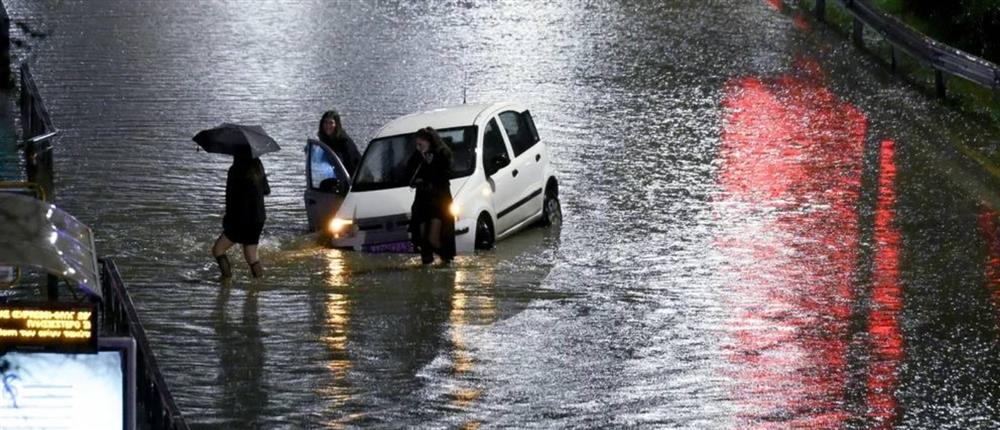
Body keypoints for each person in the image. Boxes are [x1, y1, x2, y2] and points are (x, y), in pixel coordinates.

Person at [212, 148, 270, 279]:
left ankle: (226, 283)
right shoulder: (258, 166)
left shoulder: (235, 170)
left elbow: (230, 198)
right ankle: (257, 287)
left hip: (241, 219)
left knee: (218, 250)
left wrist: (227, 221)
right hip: (258, 219)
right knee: (251, 256)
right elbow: (266, 190)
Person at [407, 127, 456, 265]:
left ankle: (447, 258)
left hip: (439, 201)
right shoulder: (417, 156)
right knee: (423, 239)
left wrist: (430, 166)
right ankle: (428, 263)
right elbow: (408, 173)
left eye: (420, 144)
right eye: (416, 145)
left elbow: (446, 174)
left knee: (432, 238)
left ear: (429, 142)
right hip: (423, 201)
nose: (418, 148)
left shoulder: (442, 154)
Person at [318, 110, 362, 176]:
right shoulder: (326, 139)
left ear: (336, 124)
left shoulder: (344, 141)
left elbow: (348, 163)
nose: (327, 126)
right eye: (325, 122)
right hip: (340, 174)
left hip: (356, 176)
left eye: (331, 123)